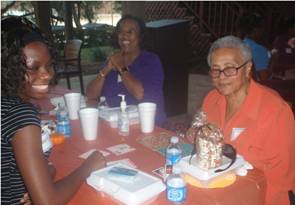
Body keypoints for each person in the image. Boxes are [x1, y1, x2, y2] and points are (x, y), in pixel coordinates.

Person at [1, 16, 106, 205]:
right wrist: (87, 167)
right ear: (8, 69)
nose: (47, 74)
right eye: (33, 68)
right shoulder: (21, 115)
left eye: (49, 65)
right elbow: (48, 202)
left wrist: (47, 172)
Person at [201, 36, 295, 205]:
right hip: (216, 190)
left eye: (229, 69)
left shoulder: (275, 112)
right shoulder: (211, 99)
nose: (221, 76)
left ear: (248, 68)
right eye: (215, 70)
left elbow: (280, 181)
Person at [86, 15, 166, 125]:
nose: (124, 36)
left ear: (140, 36)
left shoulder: (150, 61)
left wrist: (122, 68)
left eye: (130, 32)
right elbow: (90, 95)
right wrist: (106, 69)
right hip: (115, 123)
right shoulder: (115, 59)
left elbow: (139, 94)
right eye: (121, 32)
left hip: (148, 124)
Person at [237, 13, 273, 81]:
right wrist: (273, 61)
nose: (264, 31)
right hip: (255, 87)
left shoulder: (239, 45)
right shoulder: (258, 49)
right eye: (262, 28)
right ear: (256, 30)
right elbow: (264, 78)